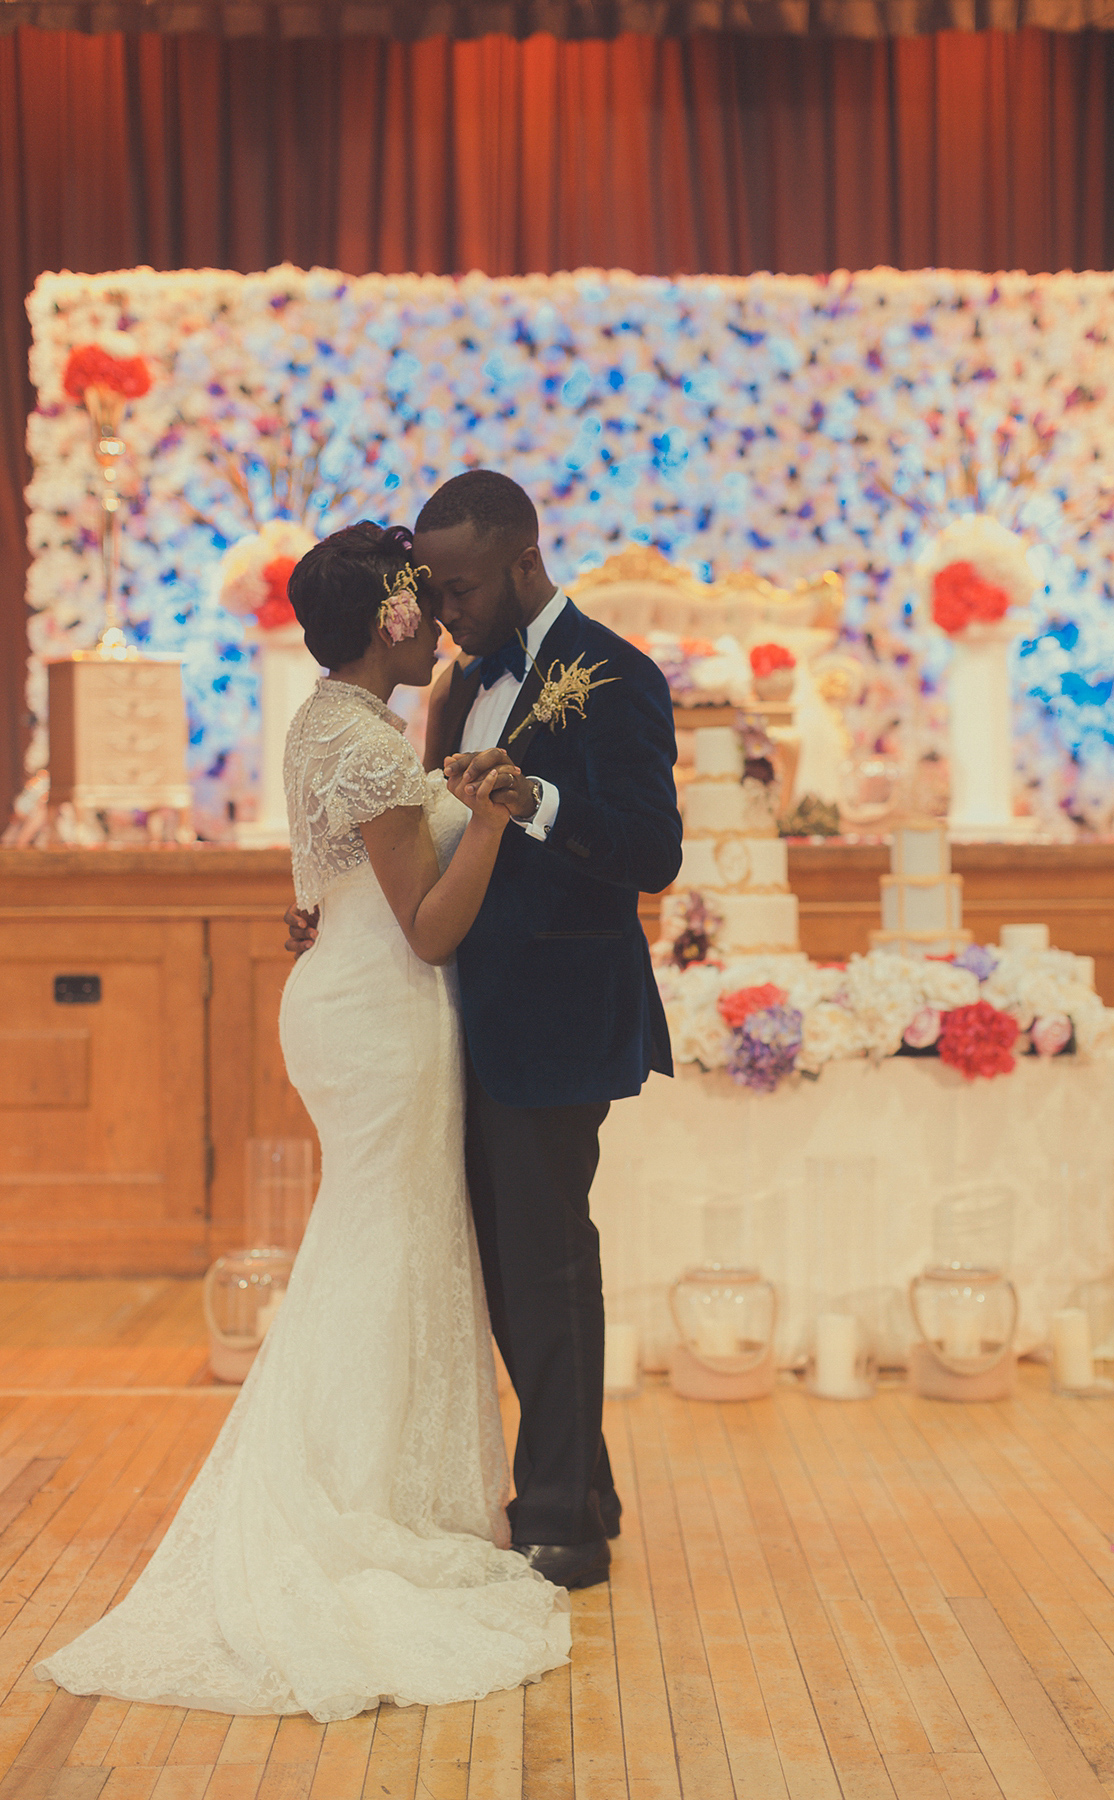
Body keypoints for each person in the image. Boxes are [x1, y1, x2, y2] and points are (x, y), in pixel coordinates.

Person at [35, 522, 571, 1720]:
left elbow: (334, 882)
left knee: (375, 1246)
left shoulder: (328, 720)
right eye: (424, 606)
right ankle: (357, 1504)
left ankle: (379, 1485)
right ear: (392, 622)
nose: (439, 623)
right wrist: (484, 821)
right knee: (380, 1253)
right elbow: (428, 926)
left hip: (349, 998)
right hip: (384, 1014)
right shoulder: (372, 746)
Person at [287, 471, 683, 1592]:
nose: (442, 609)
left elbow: (652, 851)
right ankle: (581, 1483)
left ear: (523, 561)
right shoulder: (457, 687)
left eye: (457, 587)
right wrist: (347, 907)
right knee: (507, 1272)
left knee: (547, 1263)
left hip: (558, 1011)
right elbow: (420, 833)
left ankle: (561, 1517)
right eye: (431, 591)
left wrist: (536, 802)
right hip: (449, 1015)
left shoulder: (617, 675)